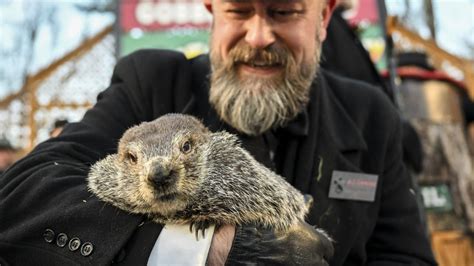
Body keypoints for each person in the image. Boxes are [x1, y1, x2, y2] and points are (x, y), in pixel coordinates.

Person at [0, 0, 437, 265]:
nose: (260, 35)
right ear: (213, 11)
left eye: (283, 11)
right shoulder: (150, 84)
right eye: (239, 10)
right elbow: (23, 197)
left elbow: (406, 255)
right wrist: (209, 251)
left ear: (323, 16)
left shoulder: (369, 114)